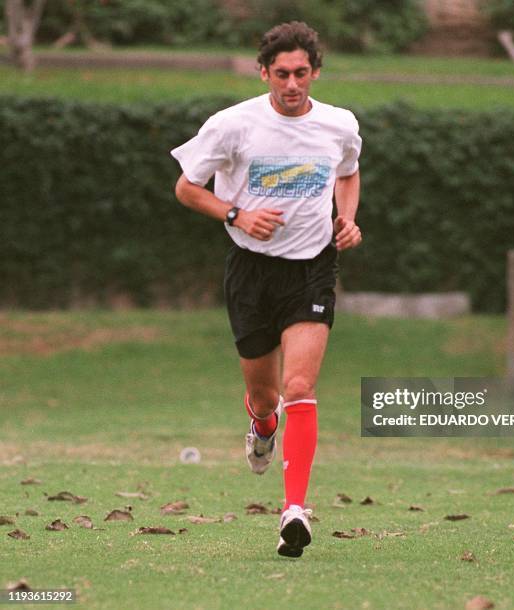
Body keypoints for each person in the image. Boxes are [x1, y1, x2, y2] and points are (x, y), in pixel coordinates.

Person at [171, 21, 362, 558]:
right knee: (266, 395)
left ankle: (293, 511)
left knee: (300, 386)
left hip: (313, 268)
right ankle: (261, 426)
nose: (293, 83)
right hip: (251, 270)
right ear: (264, 73)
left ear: (316, 72)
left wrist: (346, 219)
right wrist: (236, 212)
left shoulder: (338, 125)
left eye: (302, 73)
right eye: (282, 74)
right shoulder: (233, 125)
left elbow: (349, 173)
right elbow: (186, 186)